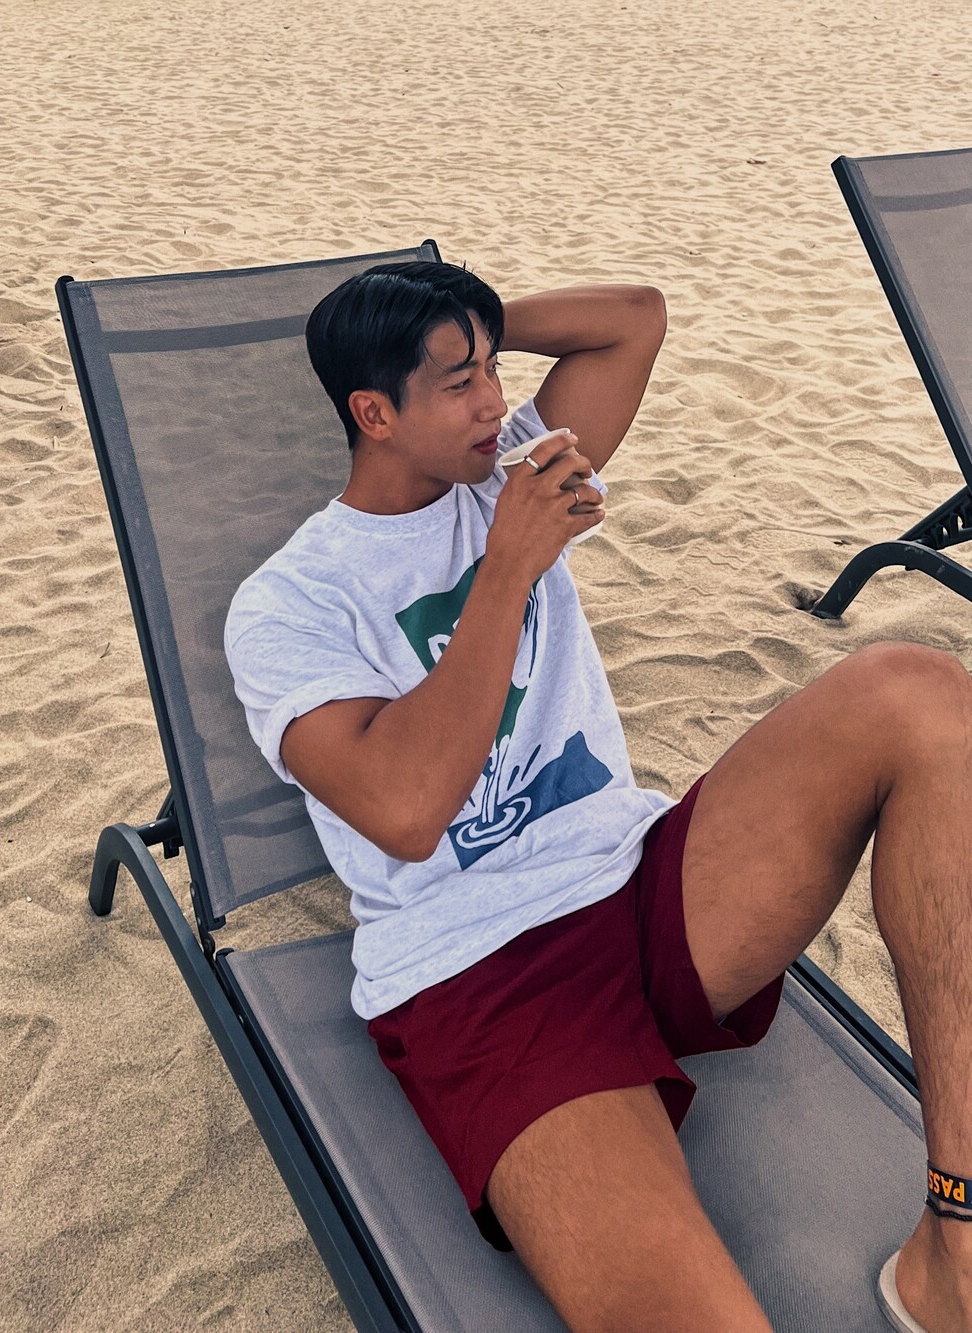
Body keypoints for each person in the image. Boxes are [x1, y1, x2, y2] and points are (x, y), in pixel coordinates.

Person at [225, 260, 972, 1333]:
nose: (494, 402)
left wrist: (463, 325)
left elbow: (633, 320)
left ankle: (955, 1245)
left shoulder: (507, 469)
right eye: (458, 384)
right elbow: (404, 810)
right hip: (484, 975)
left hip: (640, 881)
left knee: (919, 692)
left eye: (494, 371)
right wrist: (507, 569)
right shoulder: (288, 603)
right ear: (373, 413)